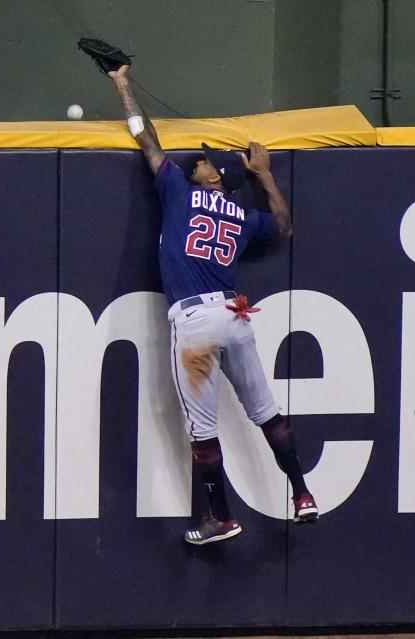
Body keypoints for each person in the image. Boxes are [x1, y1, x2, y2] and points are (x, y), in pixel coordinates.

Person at [108, 64, 318, 546]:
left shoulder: (180, 192)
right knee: (267, 413)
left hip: (198, 324)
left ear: (213, 178)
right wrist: (265, 175)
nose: (194, 162)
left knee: (203, 431)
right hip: (235, 317)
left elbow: (146, 137)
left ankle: (221, 517)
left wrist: (122, 85)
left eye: (203, 162)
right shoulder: (243, 217)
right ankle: (303, 493)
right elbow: (284, 228)